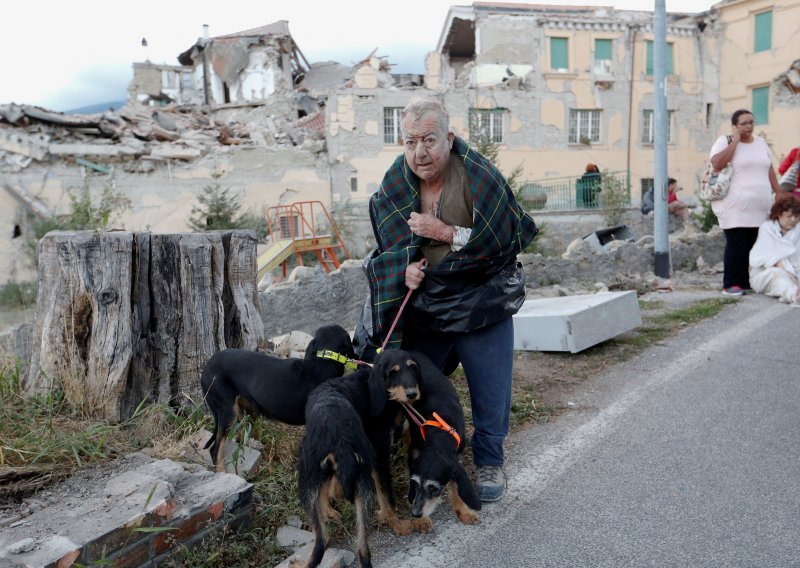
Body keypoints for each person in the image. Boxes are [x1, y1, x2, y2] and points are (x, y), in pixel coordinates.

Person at [363, 99, 538, 502]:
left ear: (450, 138)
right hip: (427, 305)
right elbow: (388, 251)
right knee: (413, 384)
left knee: (490, 387)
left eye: (429, 139)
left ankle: (490, 458)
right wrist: (402, 270)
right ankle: (425, 453)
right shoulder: (395, 182)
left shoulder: (479, 177)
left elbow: (498, 240)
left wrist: (441, 231)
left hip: (482, 301)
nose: (420, 152)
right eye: (410, 142)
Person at [709, 109, 780, 296]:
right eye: (744, 123)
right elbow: (717, 164)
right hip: (734, 205)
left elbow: (769, 169)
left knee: (751, 243)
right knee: (736, 243)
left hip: (759, 205)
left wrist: (779, 192)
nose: (749, 126)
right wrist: (735, 141)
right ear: (735, 126)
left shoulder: (761, 143)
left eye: (751, 122)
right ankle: (730, 284)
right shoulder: (725, 141)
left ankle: (744, 281)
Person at [749, 196, 800, 304]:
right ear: (779, 214)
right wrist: (783, 267)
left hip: (795, 270)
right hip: (766, 272)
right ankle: (794, 295)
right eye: (789, 216)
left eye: (796, 216)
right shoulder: (767, 228)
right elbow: (763, 258)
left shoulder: (798, 230)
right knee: (779, 277)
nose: (793, 220)